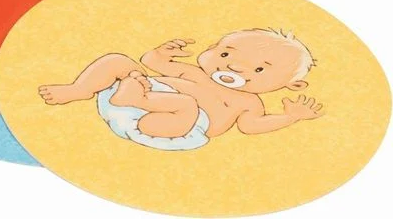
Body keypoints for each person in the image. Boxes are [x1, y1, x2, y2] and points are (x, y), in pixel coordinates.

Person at [39, 29, 324, 150]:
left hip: (170, 124)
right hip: (139, 93)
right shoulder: (193, 71)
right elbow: (152, 63)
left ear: (291, 85)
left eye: (259, 70)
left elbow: (251, 126)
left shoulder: (248, 102)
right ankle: (78, 90)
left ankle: (140, 98)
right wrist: (161, 54)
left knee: (186, 103)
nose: (234, 67)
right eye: (226, 55)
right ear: (211, 49)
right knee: (118, 61)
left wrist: (290, 117)